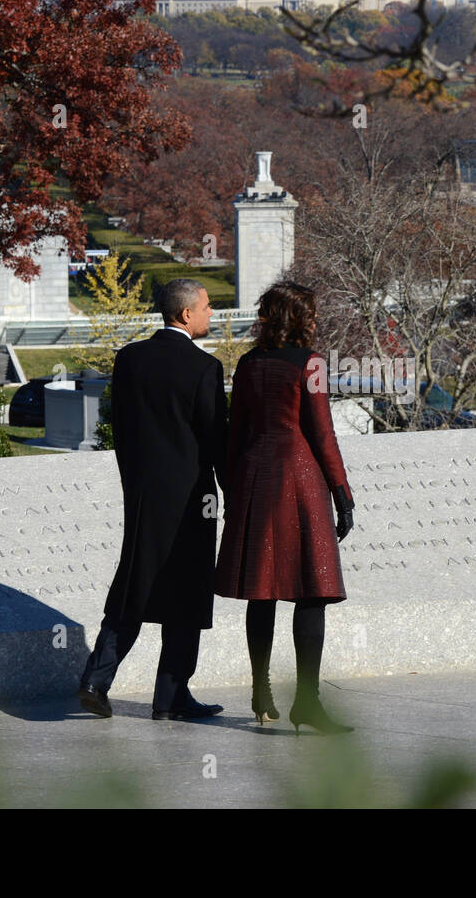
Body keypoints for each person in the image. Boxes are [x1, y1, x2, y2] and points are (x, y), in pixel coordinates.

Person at [77, 279, 228, 720]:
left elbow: (120, 428)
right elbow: (216, 441)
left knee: (133, 586)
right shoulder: (205, 368)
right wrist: (234, 494)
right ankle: (170, 697)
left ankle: (95, 679)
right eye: (206, 307)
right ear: (185, 315)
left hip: (142, 495)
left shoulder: (129, 359)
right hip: (192, 501)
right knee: (189, 591)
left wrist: (134, 482)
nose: (211, 314)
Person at [214, 281, 356, 734]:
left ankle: (261, 692)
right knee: (312, 591)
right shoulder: (311, 364)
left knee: (263, 589)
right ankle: (307, 702)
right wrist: (342, 491)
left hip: (254, 476)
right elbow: (322, 432)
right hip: (299, 479)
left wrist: (232, 486)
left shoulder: (249, 364)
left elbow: (235, 430)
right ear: (301, 317)